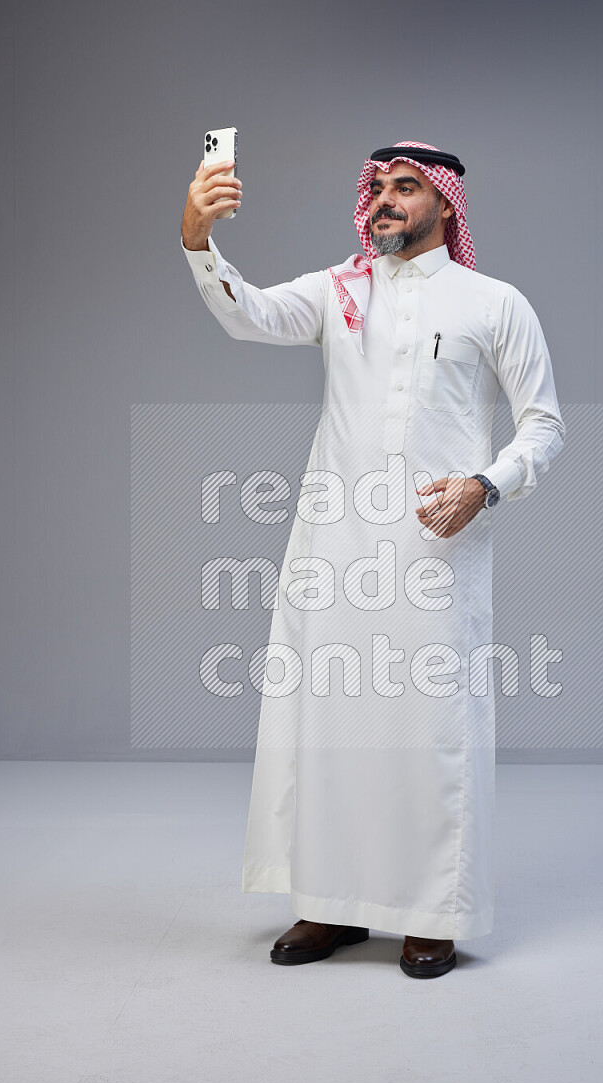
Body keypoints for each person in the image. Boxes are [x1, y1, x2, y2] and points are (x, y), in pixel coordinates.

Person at [180, 140, 566, 978]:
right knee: (329, 725)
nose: (385, 201)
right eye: (378, 188)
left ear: (447, 205)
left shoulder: (494, 302)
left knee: (428, 730)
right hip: (335, 546)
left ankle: (432, 913)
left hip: (436, 547)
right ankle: (327, 905)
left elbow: (544, 426)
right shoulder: (339, 290)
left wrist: (484, 485)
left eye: (405, 188)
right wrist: (198, 244)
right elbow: (247, 312)